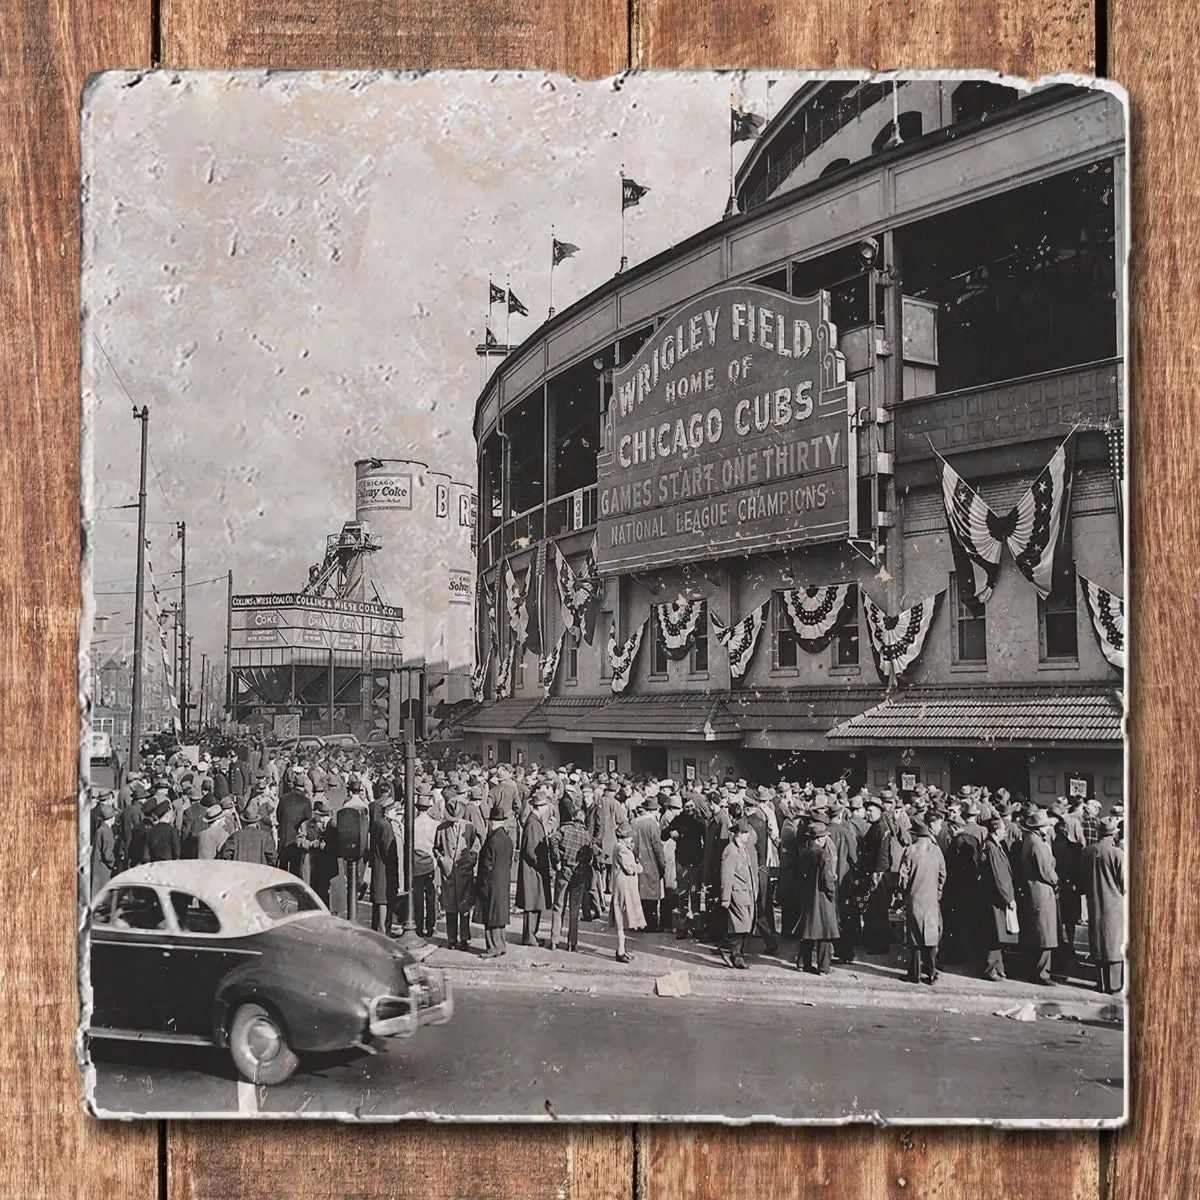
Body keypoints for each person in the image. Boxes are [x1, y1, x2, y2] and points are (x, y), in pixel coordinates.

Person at [898, 819, 946, 984]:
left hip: (915, 898)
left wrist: (905, 892)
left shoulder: (910, 851)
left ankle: (914, 974)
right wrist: (938, 891)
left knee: (914, 938)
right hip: (932, 899)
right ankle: (931, 973)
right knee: (931, 937)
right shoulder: (936, 851)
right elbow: (942, 874)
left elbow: (902, 878)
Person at [1081, 817, 1125, 993]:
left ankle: (1101, 982)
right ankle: (1114, 984)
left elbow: (1082, 878)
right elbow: (1125, 883)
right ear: (1113, 834)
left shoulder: (1087, 851)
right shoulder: (1117, 854)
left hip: (1094, 902)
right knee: (1114, 944)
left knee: (1098, 943)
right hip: (1114, 904)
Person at [1017, 809, 1059, 985]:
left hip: (1032, 889)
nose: (1049, 828)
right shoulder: (1038, 845)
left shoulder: (1028, 841)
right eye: (1047, 825)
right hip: (1042, 891)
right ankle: (1042, 973)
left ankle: (1036, 971)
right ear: (1040, 827)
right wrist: (1057, 880)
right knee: (1045, 933)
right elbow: (1046, 872)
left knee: (1037, 932)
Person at [436, 793, 481, 950]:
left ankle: (464, 938)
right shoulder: (441, 829)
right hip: (448, 875)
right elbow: (436, 849)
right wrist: (442, 860)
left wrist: (471, 860)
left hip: (465, 873)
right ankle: (451, 939)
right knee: (450, 908)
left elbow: (476, 845)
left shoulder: (469, 827)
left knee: (464, 908)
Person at [794, 820, 839, 975]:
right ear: (821, 838)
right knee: (826, 932)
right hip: (821, 896)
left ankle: (803, 963)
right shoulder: (822, 854)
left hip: (807, 895)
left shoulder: (804, 851)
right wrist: (832, 893)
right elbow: (827, 879)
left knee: (808, 931)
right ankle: (824, 967)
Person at [977, 815, 1019, 980]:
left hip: (993, 897)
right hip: (996, 898)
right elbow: (999, 877)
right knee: (994, 934)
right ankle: (991, 969)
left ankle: (998, 967)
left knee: (997, 934)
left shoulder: (992, 846)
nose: (1005, 832)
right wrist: (1009, 898)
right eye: (1003, 829)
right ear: (996, 830)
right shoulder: (992, 848)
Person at [549, 796, 593, 952]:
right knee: (574, 910)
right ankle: (571, 943)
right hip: (579, 875)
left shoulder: (564, 829)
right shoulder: (586, 836)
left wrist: (557, 860)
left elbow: (553, 841)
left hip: (563, 872)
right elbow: (589, 856)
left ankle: (554, 940)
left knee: (558, 906)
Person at [663, 792, 706, 937]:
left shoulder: (700, 821)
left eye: (691, 806)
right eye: (686, 806)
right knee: (683, 895)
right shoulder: (678, 819)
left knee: (695, 894)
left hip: (696, 862)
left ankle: (696, 926)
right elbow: (663, 834)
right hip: (682, 861)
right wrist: (670, 832)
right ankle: (682, 926)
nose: (689, 809)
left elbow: (706, 841)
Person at [516, 791, 554, 946]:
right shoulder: (533, 823)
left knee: (536, 903)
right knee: (531, 904)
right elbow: (531, 850)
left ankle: (532, 934)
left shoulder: (534, 821)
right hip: (533, 870)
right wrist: (543, 865)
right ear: (541, 807)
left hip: (534, 870)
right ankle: (529, 936)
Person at [475, 805, 513, 957]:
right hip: (503, 880)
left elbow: (486, 865)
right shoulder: (507, 839)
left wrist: (481, 883)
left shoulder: (492, 840)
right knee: (500, 914)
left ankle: (492, 948)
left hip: (491, 881)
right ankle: (501, 945)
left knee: (490, 915)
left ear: (492, 823)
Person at [718, 820, 755, 969]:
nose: (748, 836)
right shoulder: (731, 851)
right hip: (736, 893)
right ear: (739, 834)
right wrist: (725, 897)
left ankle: (735, 955)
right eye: (745, 833)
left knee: (743, 925)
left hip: (745, 893)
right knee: (741, 925)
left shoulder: (742, 849)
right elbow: (726, 875)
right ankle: (732, 954)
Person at [610, 821, 645, 963]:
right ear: (625, 837)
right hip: (624, 886)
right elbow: (630, 869)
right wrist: (639, 867)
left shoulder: (620, 847)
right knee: (622, 918)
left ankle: (622, 949)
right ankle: (620, 950)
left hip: (621, 885)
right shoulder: (622, 849)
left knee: (622, 918)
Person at [631, 797, 667, 931]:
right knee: (652, 894)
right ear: (655, 810)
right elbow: (657, 847)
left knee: (640, 892)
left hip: (638, 860)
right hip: (651, 862)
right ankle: (651, 924)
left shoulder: (634, 822)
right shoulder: (652, 824)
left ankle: (640, 922)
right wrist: (662, 865)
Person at [369, 794, 400, 935]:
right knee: (384, 898)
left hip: (377, 864)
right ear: (388, 811)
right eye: (395, 811)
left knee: (379, 897)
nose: (397, 814)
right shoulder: (386, 826)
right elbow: (388, 850)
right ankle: (383, 929)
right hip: (386, 867)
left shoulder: (377, 823)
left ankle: (378, 927)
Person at [412, 790, 440, 938]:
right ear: (428, 807)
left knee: (417, 897)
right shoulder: (435, 824)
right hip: (430, 862)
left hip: (416, 862)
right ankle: (430, 925)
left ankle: (418, 925)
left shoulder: (412, 823)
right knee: (431, 896)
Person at [219, 797, 277, 866]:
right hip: (260, 873)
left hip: (239, 874)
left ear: (244, 821)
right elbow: (273, 858)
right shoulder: (265, 837)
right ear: (257, 821)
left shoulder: (236, 836)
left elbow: (225, 855)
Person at [276, 768, 312, 878]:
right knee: (295, 869)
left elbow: (278, 816)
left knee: (282, 866)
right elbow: (308, 821)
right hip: (296, 839)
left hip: (283, 835)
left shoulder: (284, 798)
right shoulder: (305, 801)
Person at [91, 799, 117, 897]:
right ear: (111, 818)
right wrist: (114, 863)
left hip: (97, 865)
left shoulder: (101, 829)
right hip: (103, 868)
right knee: (102, 894)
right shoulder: (106, 831)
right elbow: (107, 855)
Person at [143, 798, 181, 862]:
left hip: (154, 866)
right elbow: (176, 853)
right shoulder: (173, 831)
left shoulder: (149, 832)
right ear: (167, 815)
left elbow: (146, 856)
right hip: (169, 866)